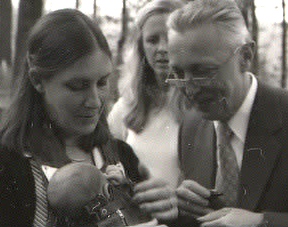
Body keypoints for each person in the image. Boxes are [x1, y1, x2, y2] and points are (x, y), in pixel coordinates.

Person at [0, 9, 176, 227]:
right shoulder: (8, 165)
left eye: (102, 83)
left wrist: (166, 211)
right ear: (37, 80)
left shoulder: (122, 156)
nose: (94, 101)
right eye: (77, 86)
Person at [166, 0, 288, 226]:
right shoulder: (191, 127)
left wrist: (262, 222)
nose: (190, 90)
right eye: (178, 73)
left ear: (245, 57)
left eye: (203, 71)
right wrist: (180, 208)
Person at [108, 0, 187, 190]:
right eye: (152, 40)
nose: (162, 48)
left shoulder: (199, 105)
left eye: (169, 38)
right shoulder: (126, 107)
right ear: (141, 47)